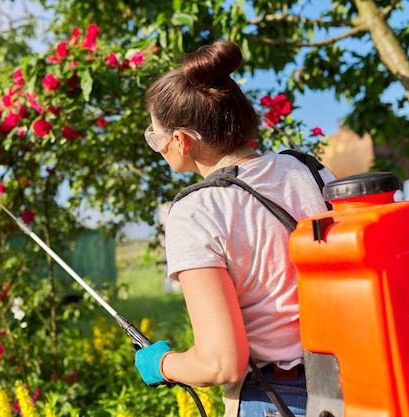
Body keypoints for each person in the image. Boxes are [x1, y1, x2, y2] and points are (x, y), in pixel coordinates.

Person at [133, 39, 336, 417]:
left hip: (276, 397)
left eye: (155, 136)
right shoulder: (308, 168)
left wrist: (161, 365)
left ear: (181, 141)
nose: (157, 146)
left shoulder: (196, 210)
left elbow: (220, 362)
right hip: (354, 378)